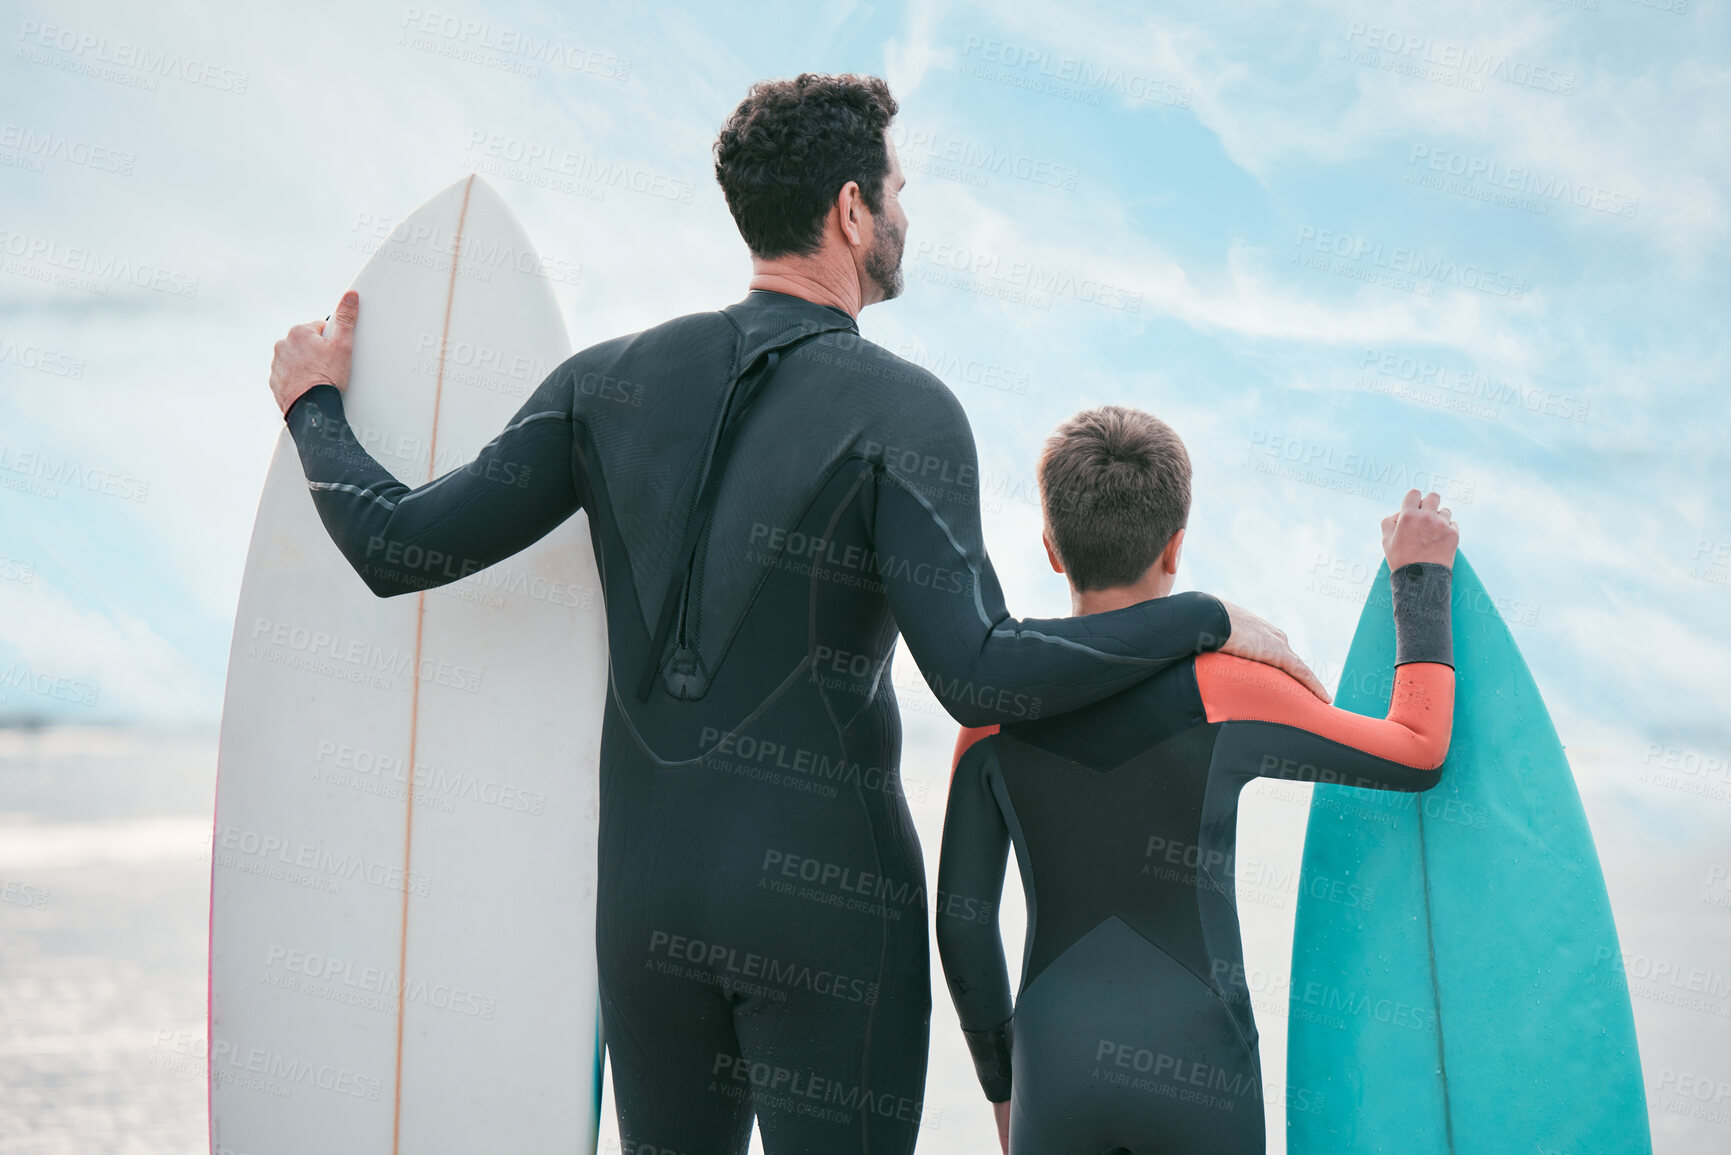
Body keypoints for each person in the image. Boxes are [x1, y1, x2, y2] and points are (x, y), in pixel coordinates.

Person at [266, 75, 1326, 1155]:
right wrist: (1197, 619)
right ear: (852, 211)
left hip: (648, 910)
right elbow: (986, 672)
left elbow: (396, 548)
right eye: (899, 191)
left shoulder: (601, 386)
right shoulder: (905, 410)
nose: (907, 215)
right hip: (827, 913)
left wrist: (314, 407)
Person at [935, 406, 1459, 1154]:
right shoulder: (1227, 685)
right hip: (1197, 1066)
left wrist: (1003, 1087)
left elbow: (960, 924)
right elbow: (1416, 750)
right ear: (1175, 548)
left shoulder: (990, 717)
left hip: (1054, 1070)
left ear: (1051, 548)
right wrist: (1418, 581)